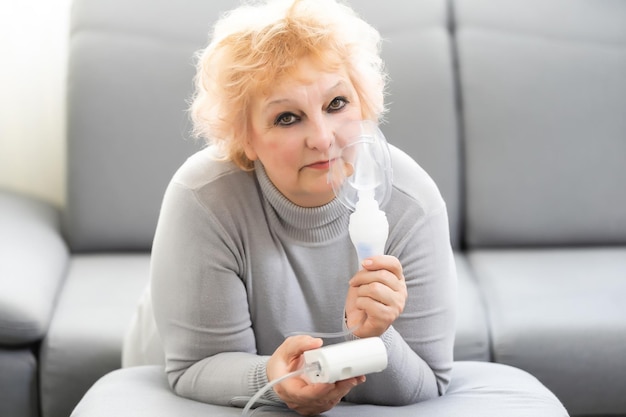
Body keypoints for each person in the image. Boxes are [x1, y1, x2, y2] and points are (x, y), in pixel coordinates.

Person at [132, 0, 457, 415]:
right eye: (288, 118)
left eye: (336, 104)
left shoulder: (412, 203)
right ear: (244, 138)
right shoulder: (203, 198)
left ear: (364, 103)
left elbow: (428, 384)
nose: (322, 139)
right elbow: (195, 366)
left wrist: (375, 336)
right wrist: (272, 380)